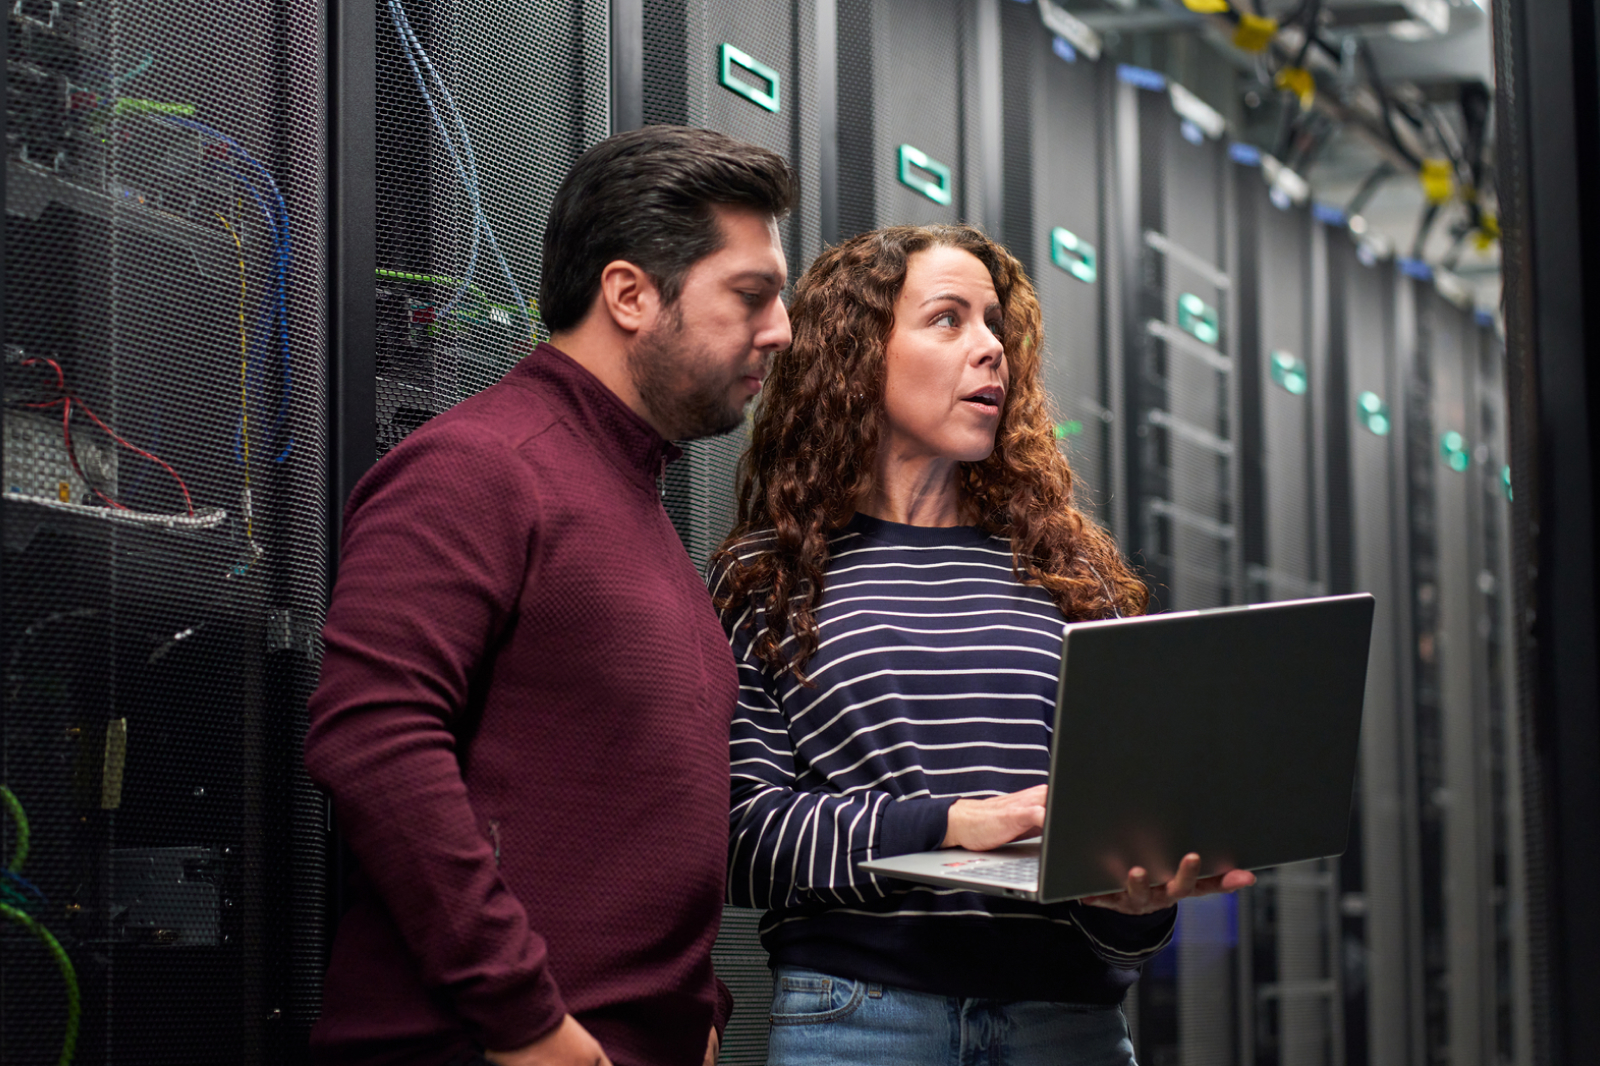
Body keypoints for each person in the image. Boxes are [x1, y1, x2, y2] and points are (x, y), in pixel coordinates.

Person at [304, 126, 794, 1066]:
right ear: (629, 294)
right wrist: (524, 1016)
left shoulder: (631, 497)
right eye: (751, 295)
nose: (781, 330)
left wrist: (702, 1008)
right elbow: (371, 738)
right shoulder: (480, 467)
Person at [710, 224, 1255, 1065]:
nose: (991, 349)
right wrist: (953, 824)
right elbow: (741, 838)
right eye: (948, 320)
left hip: (1067, 1023)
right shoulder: (767, 576)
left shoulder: (1071, 574)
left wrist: (1133, 906)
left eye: (995, 324)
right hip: (860, 1023)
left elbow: (1123, 832)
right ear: (857, 354)